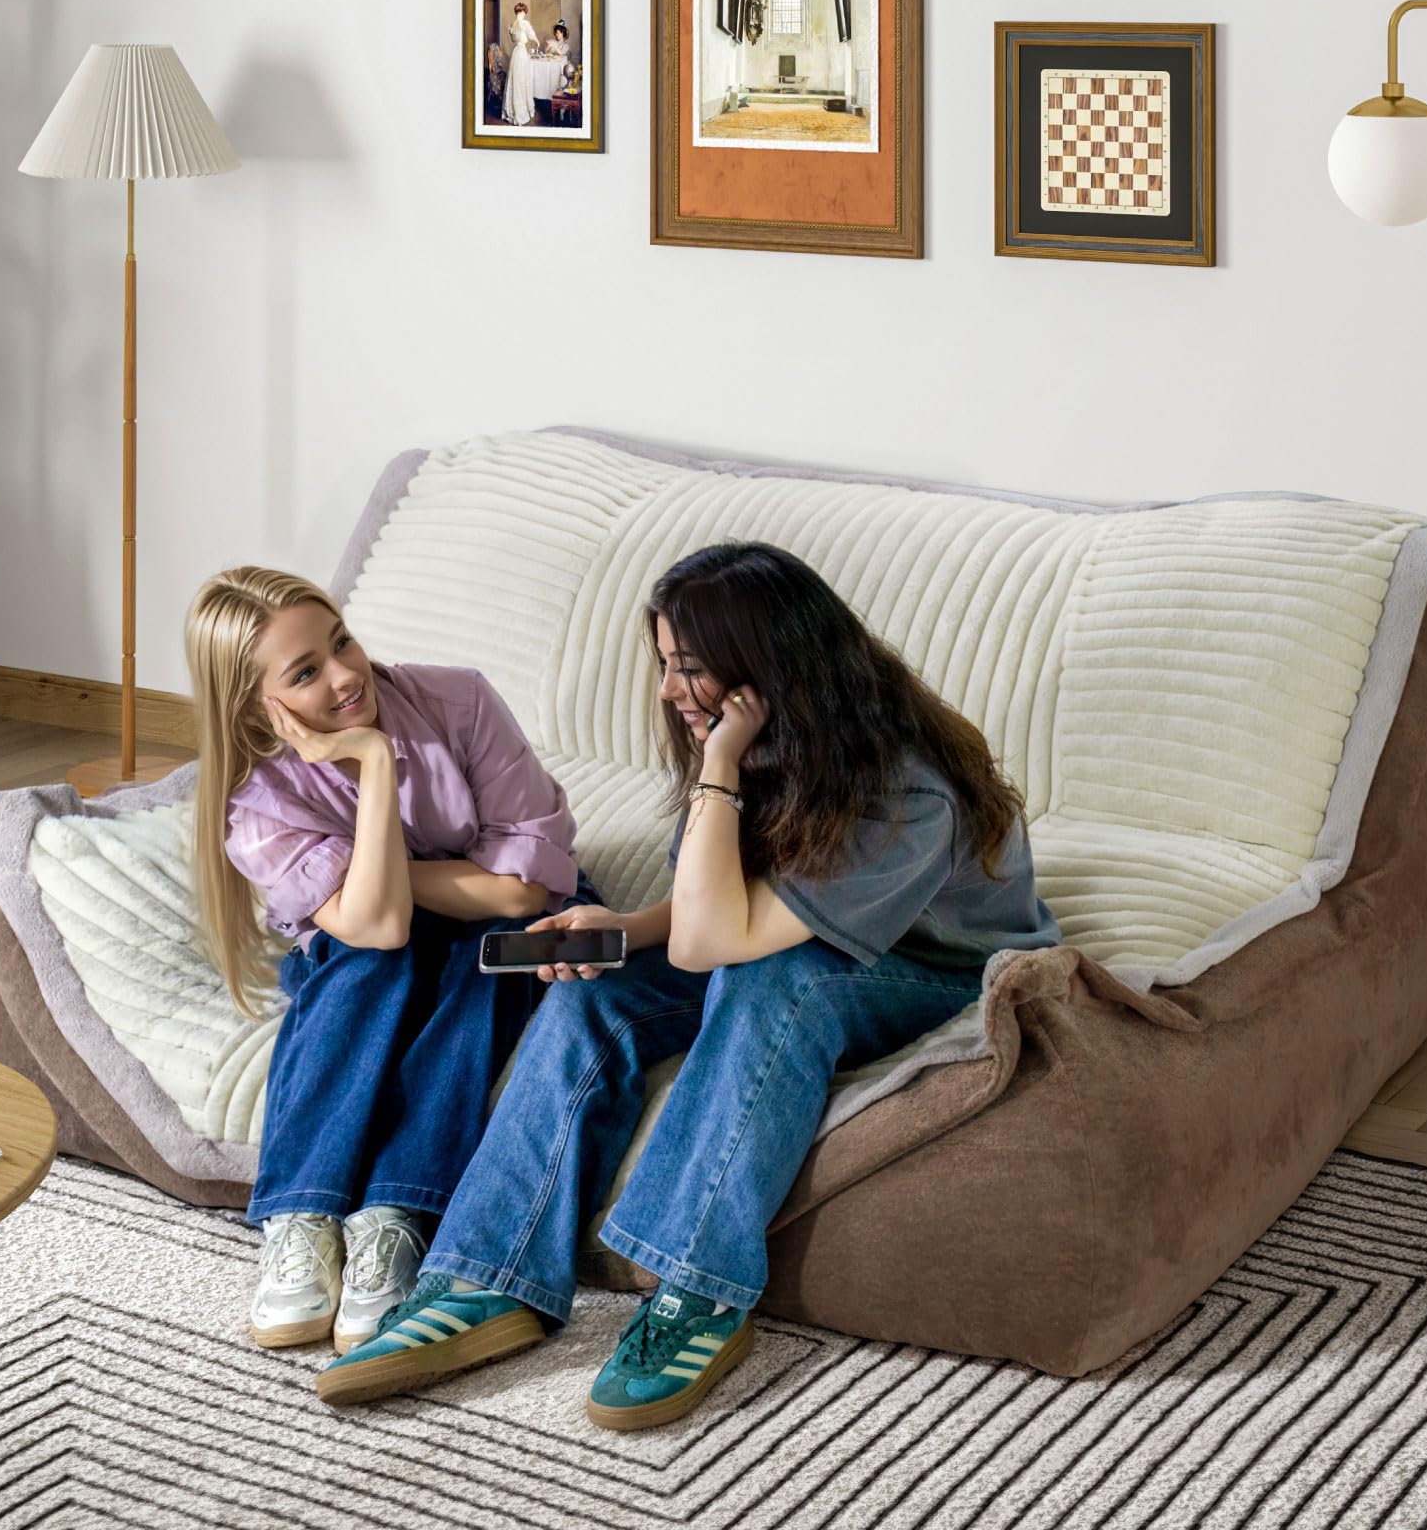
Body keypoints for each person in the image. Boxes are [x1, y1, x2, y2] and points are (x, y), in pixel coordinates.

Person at [317, 542, 1061, 1428]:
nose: (669, 689)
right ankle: (487, 1275)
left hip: (934, 975)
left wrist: (717, 768)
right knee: (596, 990)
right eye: (665, 664)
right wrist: (624, 931)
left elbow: (727, 940)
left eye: (689, 668)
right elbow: (718, 902)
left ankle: (698, 1290)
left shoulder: (907, 795)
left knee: (776, 985)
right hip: (782, 938)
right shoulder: (763, 741)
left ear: (764, 671)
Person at [185, 566, 583, 1355]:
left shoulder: (458, 700)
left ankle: (394, 1214)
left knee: (493, 956)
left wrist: (386, 876)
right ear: (257, 708)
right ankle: (302, 1214)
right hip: (369, 951)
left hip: (483, 929)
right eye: (306, 672)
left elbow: (517, 890)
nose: (345, 675)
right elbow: (377, 928)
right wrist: (370, 761)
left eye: (342, 642)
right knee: (363, 963)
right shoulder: (256, 802)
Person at [503, 1, 541, 126]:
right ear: (522, 11)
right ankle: (520, 112)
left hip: (516, 53)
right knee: (521, 80)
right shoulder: (523, 23)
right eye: (524, 12)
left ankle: (512, 110)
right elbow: (531, 34)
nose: (525, 14)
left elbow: (515, 39)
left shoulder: (512, 25)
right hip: (522, 53)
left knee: (515, 80)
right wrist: (537, 41)